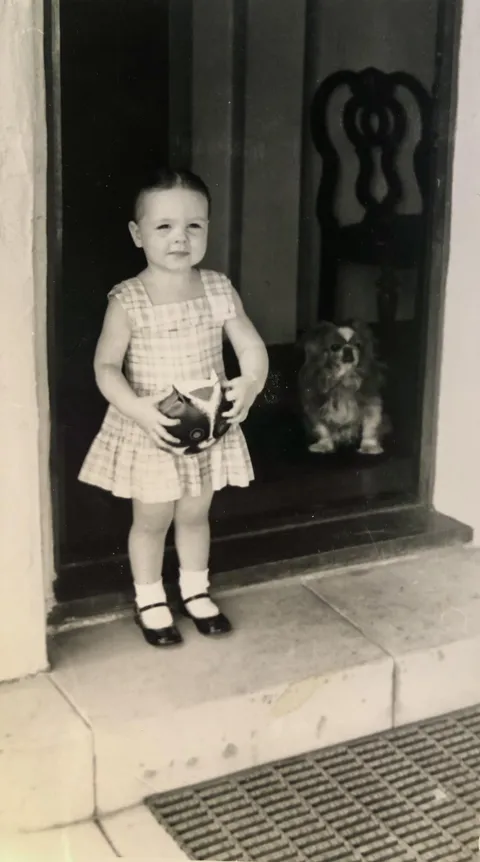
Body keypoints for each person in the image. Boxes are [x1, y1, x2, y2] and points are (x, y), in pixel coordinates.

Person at [79, 168, 269, 647]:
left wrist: (251, 381)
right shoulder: (129, 299)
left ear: (207, 228)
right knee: (152, 518)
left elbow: (249, 344)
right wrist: (139, 411)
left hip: (205, 428)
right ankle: (149, 598)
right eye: (164, 226)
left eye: (194, 226)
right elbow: (105, 366)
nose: (180, 238)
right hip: (155, 431)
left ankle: (194, 590)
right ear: (137, 234)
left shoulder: (218, 288)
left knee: (194, 512)